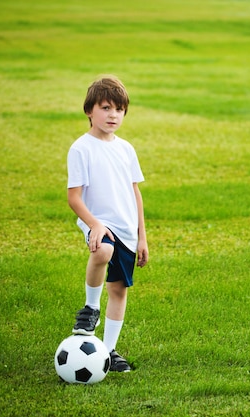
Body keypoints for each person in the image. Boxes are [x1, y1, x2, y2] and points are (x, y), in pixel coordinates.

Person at [66, 76, 148, 372]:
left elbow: (135, 192)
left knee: (119, 290)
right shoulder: (81, 149)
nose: (113, 115)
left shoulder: (126, 149)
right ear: (89, 110)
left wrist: (142, 237)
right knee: (102, 252)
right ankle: (90, 308)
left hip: (127, 229)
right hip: (99, 222)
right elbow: (74, 197)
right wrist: (94, 224)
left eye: (119, 110)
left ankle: (109, 351)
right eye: (105, 108)